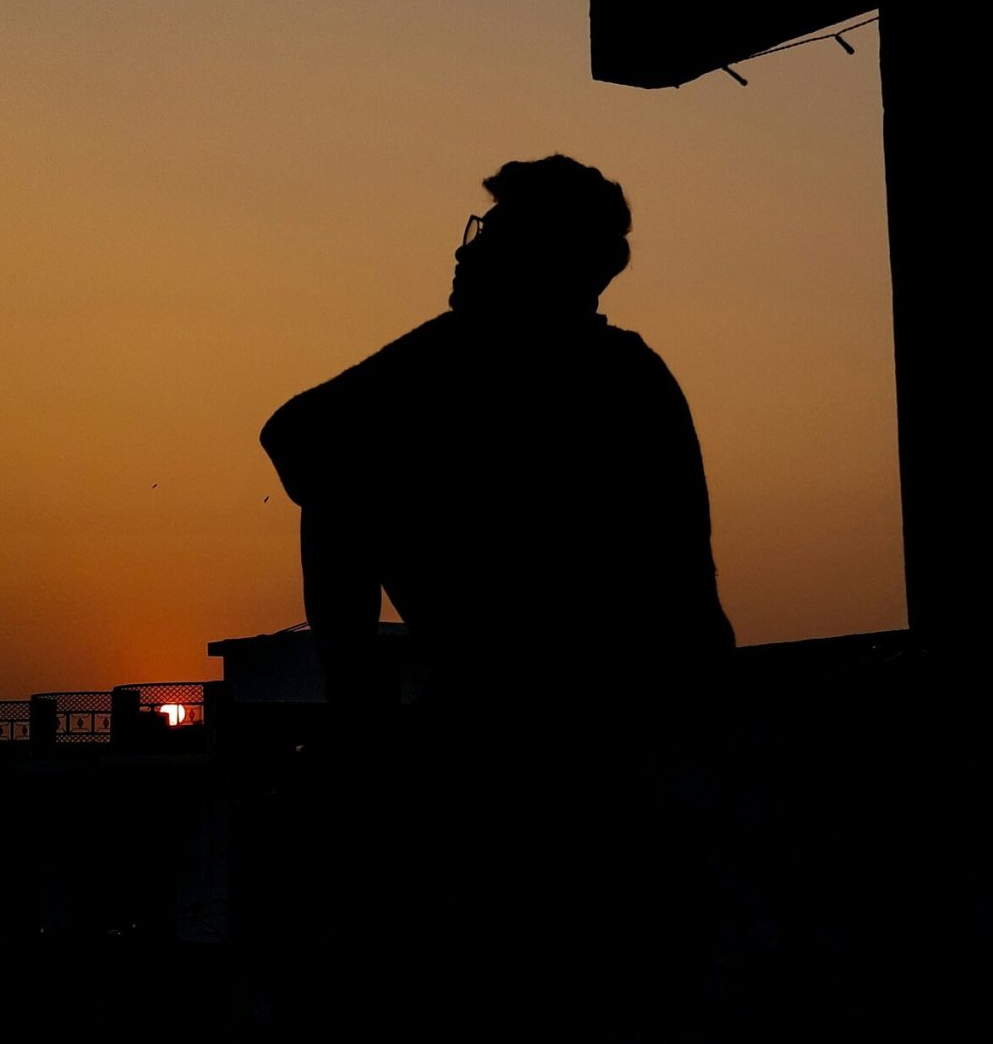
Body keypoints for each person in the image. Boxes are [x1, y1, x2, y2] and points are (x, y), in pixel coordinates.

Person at [259, 155, 734, 714]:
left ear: (538, 258)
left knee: (340, 488)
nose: (465, 250)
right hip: (636, 679)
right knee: (341, 472)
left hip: (601, 686)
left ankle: (364, 723)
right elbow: (294, 436)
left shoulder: (523, 360)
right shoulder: (626, 368)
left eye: (492, 234)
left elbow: (297, 436)